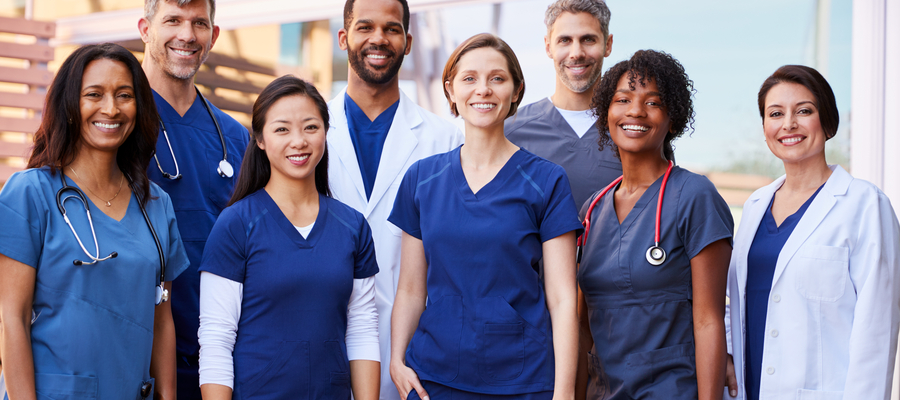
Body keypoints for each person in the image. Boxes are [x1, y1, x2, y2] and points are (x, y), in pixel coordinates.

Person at [389, 33, 583, 400]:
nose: (483, 90)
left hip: (522, 380)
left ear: (515, 90)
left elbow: (561, 297)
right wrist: (397, 360)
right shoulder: (421, 178)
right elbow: (411, 288)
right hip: (433, 378)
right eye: (469, 79)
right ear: (450, 90)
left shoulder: (546, 180)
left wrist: (564, 391)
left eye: (497, 78)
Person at [0, 43, 189, 400]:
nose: (111, 108)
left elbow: (162, 319)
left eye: (124, 95)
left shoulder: (156, 205)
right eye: (94, 94)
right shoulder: (30, 194)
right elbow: (12, 319)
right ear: (71, 105)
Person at [196, 75, 381, 400]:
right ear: (261, 139)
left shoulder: (353, 226)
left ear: (325, 132)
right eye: (282, 129)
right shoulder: (236, 224)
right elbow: (216, 339)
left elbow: (363, 330)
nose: (299, 141)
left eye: (311, 127)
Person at [723, 65, 900, 400]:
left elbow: (876, 329)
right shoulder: (756, 206)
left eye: (804, 111)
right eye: (775, 113)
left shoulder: (865, 205)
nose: (788, 124)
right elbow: (738, 300)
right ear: (765, 128)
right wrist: (728, 353)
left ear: (827, 122)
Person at [577, 49, 733, 400]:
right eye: (623, 99)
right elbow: (582, 327)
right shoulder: (593, 210)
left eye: (653, 102)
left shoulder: (694, 196)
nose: (635, 111)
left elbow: (709, 321)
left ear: (672, 120)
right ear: (606, 114)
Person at [328, 0, 464, 398]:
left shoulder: (447, 140)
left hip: (419, 355)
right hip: (324, 342)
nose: (378, 39)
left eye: (391, 29)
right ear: (343, 38)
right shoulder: (308, 134)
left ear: (407, 41)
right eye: (365, 27)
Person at [138, 1, 249, 397]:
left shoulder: (235, 137)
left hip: (217, 363)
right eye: (172, 20)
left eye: (199, 23)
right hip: (136, 356)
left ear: (214, 36)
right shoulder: (118, 122)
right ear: (145, 29)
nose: (187, 34)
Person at [506, 0, 620, 209]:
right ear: (548, 46)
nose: (576, 53)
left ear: (608, 44)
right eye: (565, 40)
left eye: (588, 39)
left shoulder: (634, 129)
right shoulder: (510, 133)